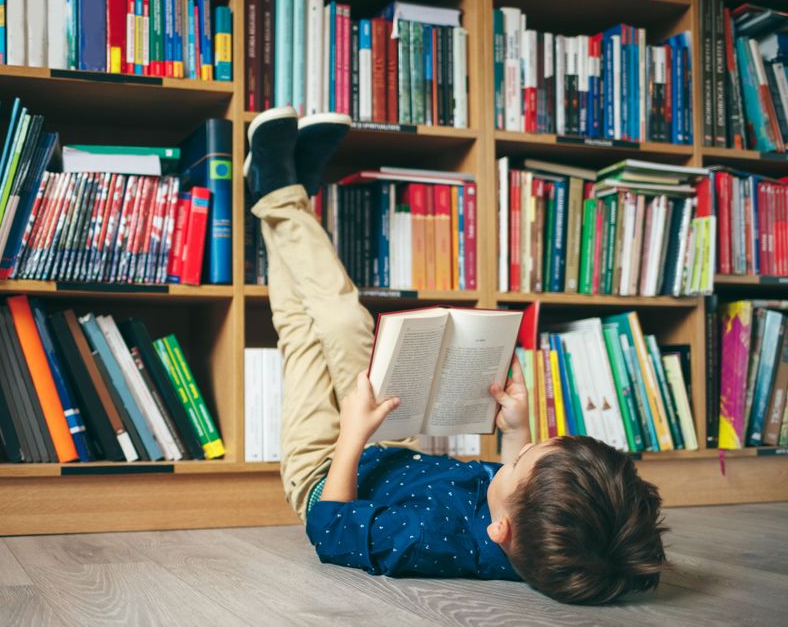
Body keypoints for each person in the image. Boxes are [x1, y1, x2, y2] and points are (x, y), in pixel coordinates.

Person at [246, 106, 668, 605]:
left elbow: (331, 529)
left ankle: (281, 191)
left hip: (323, 467)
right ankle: (280, 192)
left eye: (518, 460)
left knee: (304, 329)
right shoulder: (539, 531)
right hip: (390, 441)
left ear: (500, 531)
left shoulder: (423, 541)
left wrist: (352, 435)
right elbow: (521, 485)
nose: (514, 458)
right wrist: (517, 432)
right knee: (338, 320)